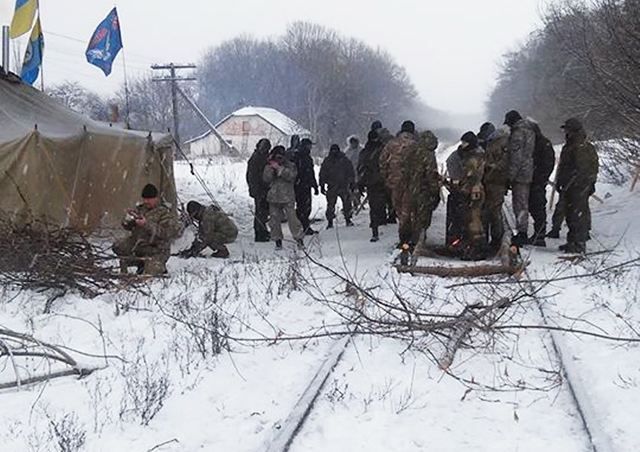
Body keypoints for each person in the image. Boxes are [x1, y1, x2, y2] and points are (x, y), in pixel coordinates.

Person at [113, 183, 181, 275]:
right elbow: (128, 227)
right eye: (144, 199)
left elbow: (167, 233)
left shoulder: (165, 212)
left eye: (149, 199)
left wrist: (146, 224)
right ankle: (140, 262)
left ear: (156, 198)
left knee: (150, 271)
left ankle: (156, 265)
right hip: (140, 246)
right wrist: (128, 220)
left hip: (156, 249)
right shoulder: (141, 209)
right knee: (118, 246)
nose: (146, 201)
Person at [556, 118, 599, 254]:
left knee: (578, 215)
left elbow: (583, 169)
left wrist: (572, 183)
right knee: (570, 214)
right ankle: (572, 241)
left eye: (567, 129)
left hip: (578, 187)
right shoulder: (571, 145)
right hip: (571, 186)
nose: (565, 132)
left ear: (573, 130)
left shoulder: (581, 146)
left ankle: (579, 244)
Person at [380, 120, 418, 245]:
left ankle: (403, 238)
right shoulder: (416, 145)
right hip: (411, 183)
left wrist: (386, 178)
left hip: (395, 182)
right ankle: (410, 237)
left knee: (399, 210)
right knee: (410, 210)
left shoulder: (391, 144)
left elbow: (382, 161)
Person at [504, 110, 536, 247]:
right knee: (523, 203)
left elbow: (516, 158)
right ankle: (522, 231)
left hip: (520, 174)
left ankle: (522, 234)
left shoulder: (518, 134)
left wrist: (509, 176)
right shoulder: (530, 131)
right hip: (527, 171)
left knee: (520, 204)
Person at [263, 146, 305, 250]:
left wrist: (280, 169)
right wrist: (272, 169)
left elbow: (292, 176)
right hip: (274, 197)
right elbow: (266, 179)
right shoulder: (269, 166)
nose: (279, 159)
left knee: (293, 220)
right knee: (274, 221)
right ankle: (277, 241)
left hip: (287, 197)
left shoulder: (290, 165)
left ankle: (299, 239)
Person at [407, 130, 441, 251]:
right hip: (424, 190)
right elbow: (431, 175)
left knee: (413, 215)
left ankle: (411, 240)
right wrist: (435, 191)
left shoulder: (412, 152)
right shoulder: (428, 155)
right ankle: (419, 241)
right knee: (423, 217)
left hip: (411, 189)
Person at [456, 132, 486, 260]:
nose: (462, 145)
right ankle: (474, 248)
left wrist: (462, 188)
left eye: (464, 143)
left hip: (473, 191)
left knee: (473, 221)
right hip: (475, 190)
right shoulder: (478, 154)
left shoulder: (473, 158)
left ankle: (476, 250)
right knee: (474, 220)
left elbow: (471, 176)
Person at [482, 126, 510, 253]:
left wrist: (490, 168)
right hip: (494, 182)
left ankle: (495, 240)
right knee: (493, 212)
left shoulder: (498, 144)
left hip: (495, 182)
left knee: (492, 212)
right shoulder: (499, 143)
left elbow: (502, 164)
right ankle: (494, 240)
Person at [528, 122, 556, 246]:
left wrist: (540, 177)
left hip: (537, 180)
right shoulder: (539, 143)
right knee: (535, 206)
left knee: (538, 206)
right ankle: (539, 233)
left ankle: (540, 234)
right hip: (534, 179)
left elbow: (548, 163)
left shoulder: (542, 143)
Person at [358, 131, 387, 242]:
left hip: (372, 183)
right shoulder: (384, 149)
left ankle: (375, 231)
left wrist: (360, 183)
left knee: (374, 208)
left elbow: (360, 168)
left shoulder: (365, 151)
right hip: (384, 181)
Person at [319, 144, 356, 229]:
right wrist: (321, 184)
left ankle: (347, 219)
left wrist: (352, 183)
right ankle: (331, 221)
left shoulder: (342, 160)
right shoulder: (330, 160)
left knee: (345, 204)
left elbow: (350, 172)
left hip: (342, 185)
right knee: (332, 205)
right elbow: (322, 174)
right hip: (334, 185)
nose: (334, 152)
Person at [291, 138, 319, 235]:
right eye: (309, 145)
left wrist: (315, 185)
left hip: (305, 184)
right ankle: (303, 226)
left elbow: (311, 172)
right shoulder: (299, 156)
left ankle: (304, 225)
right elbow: (299, 171)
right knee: (302, 207)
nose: (310, 147)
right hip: (300, 185)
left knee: (305, 207)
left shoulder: (306, 157)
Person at [246, 138, 272, 242]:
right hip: (259, 190)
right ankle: (259, 233)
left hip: (264, 189)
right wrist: (255, 190)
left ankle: (262, 231)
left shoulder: (263, 157)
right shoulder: (256, 158)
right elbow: (251, 176)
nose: (265, 149)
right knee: (260, 212)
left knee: (263, 212)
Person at [371, 121, 396, 224]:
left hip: (382, 170)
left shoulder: (378, 139)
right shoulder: (391, 138)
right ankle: (392, 215)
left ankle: (384, 217)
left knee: (382, 196)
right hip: (392, 170)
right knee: (391, 195)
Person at [344, 136, 364, 211]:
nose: (353, 144)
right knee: (351, 188)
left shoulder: (361, 150)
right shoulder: (347, 151)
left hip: (359, 171)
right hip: (350, 172)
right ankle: (352, 203)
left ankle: (357, 202)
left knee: (358, 188)